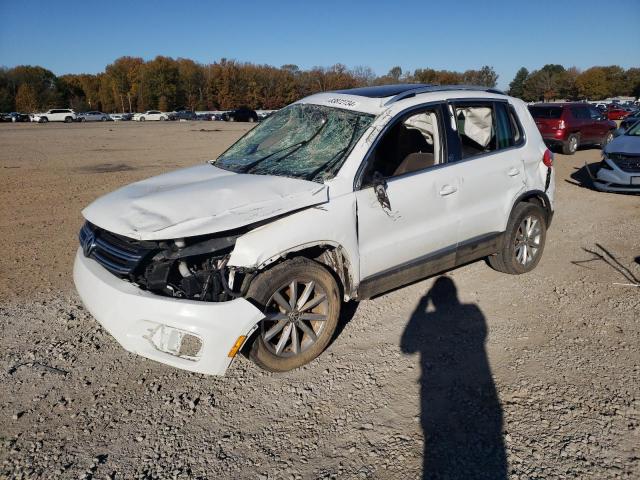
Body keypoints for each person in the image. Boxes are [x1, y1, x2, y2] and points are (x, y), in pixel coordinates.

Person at [401, 276, 507, 479]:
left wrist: (420, 307)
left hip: (437, 397)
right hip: (481, 391)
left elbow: (407, 347)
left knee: (438, 451)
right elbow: (482, 335)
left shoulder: (430, 318)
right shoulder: (472, 311)